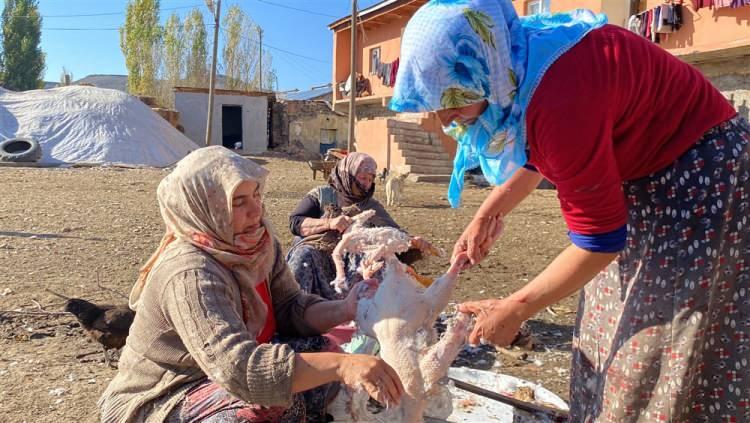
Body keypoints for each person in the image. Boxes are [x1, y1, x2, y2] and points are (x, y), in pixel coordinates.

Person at [389, 0, 749, 421]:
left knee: (653, 338)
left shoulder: (559, 96)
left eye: (454, 102)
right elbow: (541, 149)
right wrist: (489, 210)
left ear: (483, 66)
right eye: (436, 106)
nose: (446, 119)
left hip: (701, 183)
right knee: (605, 316)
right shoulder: (518, 63)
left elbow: (599, 239)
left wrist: (517, 308)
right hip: (647, 175)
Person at [98, 147, 403, 423]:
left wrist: (344, 308)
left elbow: (290, 308)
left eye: (256, 195)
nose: (256, 210)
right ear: (204, 208)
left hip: (230, 368)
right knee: (265, 405)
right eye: (239, 201)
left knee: (324, 350)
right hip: (170, 388)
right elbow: (238, 368)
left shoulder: (258, 244)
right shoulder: (189, 271)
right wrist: (342, 366)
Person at [287, 152, 434, 300]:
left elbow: (393, 233)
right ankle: (297, 309)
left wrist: (413, 242)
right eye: (363, 178)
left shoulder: (371, 207)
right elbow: (296, 222)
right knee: (303, 255)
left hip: (351, 268)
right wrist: (329, 223)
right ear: (348, 174)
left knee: (376, 262)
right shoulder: (322, 195)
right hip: (318, 255)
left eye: (370, 180)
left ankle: (364, 313)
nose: (366, 184)